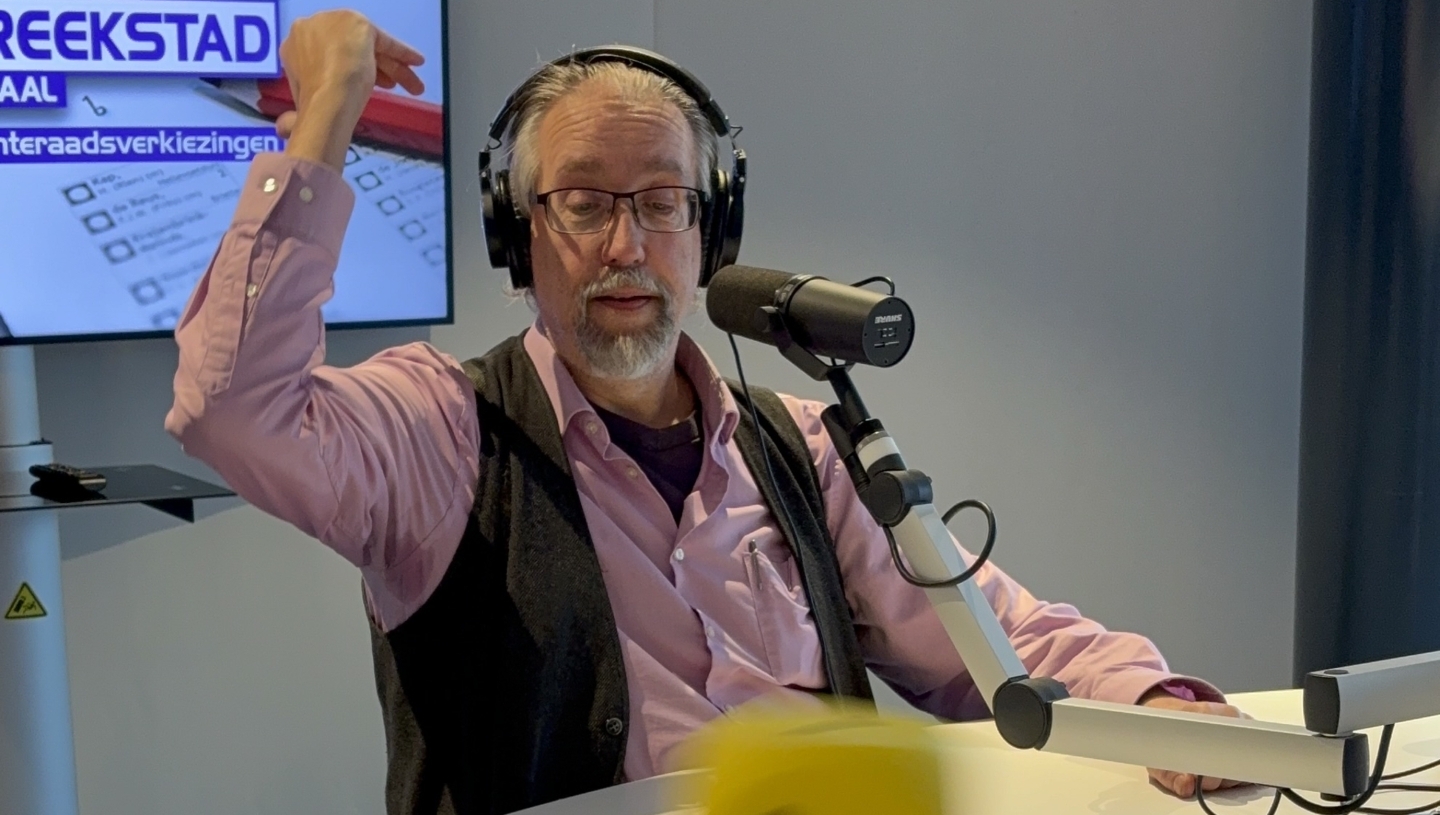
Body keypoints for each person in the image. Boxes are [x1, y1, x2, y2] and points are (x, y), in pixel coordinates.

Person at [166, 10, 1243, 815]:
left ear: (709, 231)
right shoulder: (441, 430)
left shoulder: (805, 448)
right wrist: (328, 116)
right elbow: (231, 412)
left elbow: (994, 641)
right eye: (583, 202)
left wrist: (1150, 701)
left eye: (663, 203)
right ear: (517, 235)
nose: (626, 245)